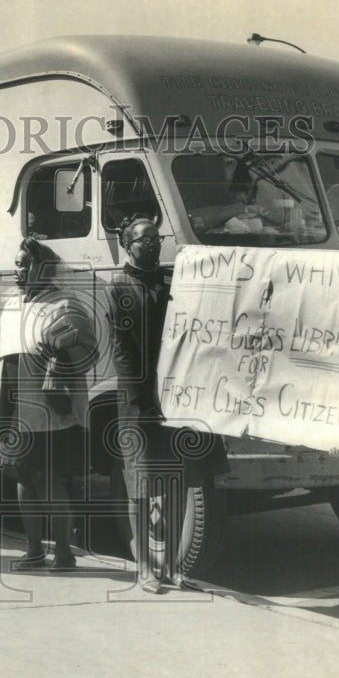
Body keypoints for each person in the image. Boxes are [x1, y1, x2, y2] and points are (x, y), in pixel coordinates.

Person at [104, 216, 227, 593]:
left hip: (175, 401)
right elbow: (122, 350)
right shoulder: (119, 286)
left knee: (174, 485)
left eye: (156, 238)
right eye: (144, 240)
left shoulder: (172, 281)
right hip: (138, 403)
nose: (153, 245)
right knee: (140, 487)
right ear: (128, 246)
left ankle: (172, 567)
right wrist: (144, 396)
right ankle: (144, 567)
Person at [0, 237, 97, 570]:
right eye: (16, 264)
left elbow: (87, 349)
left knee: (48, 479)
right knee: (21, 478)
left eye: (24, 264)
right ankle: (33, 549)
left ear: (42, 267)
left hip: (48, 409)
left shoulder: (65, 304)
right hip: (14, 406)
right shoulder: (13, 304)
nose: (18, 270)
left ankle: (63, 552)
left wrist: (60, 358)